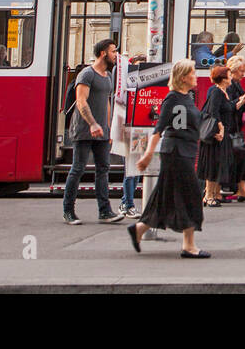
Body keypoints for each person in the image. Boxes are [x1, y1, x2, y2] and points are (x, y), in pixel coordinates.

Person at [128, 61, 210, 257]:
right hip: (176, 152)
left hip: (185, 152)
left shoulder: (187, 97)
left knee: (166, 196)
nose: (196, 76)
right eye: (192, 73)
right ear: (183, 77)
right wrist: (148, 154)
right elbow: (159, 129)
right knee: (191, 195)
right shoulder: (172, 99)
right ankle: (188, 245)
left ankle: (139, 229)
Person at [63, 38, 126, 225]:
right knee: (78, 169)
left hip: (101, 131)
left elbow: (107, 102)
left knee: (103, 169)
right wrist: (92, 124)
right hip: (84, 130)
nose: (116, 55)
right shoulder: (86, 74)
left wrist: (108, 128)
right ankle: (68, 211)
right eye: (113, 51)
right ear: (103, 53)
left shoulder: (107, 76)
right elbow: (81, 102)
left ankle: (105, 211)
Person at [110, 51, 146, 218]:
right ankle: (127, 203)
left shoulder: (143, 88)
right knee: (130, 170)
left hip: (140, 129)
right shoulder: (127, 88)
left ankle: (128, 203)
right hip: (129, 128)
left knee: (136, 169)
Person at [220, 56, 245, 202]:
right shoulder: (229, 86)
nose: (243, 74)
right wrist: (244, 99)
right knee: (238, 158)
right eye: (241, 71)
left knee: (241, 159)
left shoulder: (236, 84)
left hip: (234, 128)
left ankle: (241, 190)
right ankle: (236, 190)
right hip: (229, 128)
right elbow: (229, 106)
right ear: (233, 70)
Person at [198, 65, 232, 206]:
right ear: (223, 79)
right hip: (214, 136)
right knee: (212, 166)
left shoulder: (222, 92)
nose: (231, 78)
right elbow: (213, 111)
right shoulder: (216, 92)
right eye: (229, 75)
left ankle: (210, 195)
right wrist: (220, 129)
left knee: (215, 165)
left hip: (217, 135)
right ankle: (208, 196)